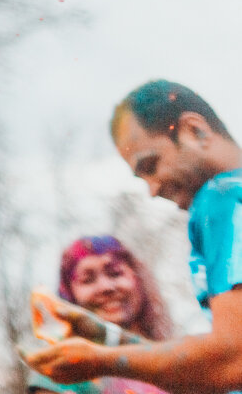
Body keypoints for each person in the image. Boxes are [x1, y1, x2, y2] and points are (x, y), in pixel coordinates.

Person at [26, 80, 242, 393]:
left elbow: (232, 359)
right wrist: (109, 339)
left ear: (194, 130)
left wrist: (101, 360)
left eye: (150, 165)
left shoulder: (220, 200)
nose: (152, 190)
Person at [26, 235, 174, 394]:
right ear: (69, 295)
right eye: (87, 280)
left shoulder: (172, 356)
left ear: (137, 280)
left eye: (115, 273)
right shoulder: (61, 366)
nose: (106, 287)